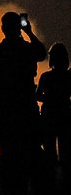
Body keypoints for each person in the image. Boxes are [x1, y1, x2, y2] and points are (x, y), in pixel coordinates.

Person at [0, 12, 48, 194]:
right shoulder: (27, 49)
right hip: (27, 110)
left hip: (6, 112)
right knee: (33, 157)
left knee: (9, 161)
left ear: (3, 28)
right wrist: (29, 32)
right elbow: (42, 54)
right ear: (18, 27)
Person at [36, 43, 71, 192]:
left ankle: (50, 184)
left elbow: (37, 95)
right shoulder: (69, 77)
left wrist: (49, 99)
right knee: (66, 153)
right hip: (65, 116)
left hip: (49, 117)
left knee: (50, 154)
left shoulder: (46, 77)